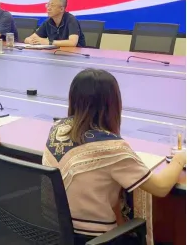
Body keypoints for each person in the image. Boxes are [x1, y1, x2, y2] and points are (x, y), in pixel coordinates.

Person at [43, 69, 186, 244]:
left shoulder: (57, 129)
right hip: (97, 240)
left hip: (52, 233)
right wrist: (180, 158)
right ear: (112, 104)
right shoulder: (112, 147)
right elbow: (161, 187)